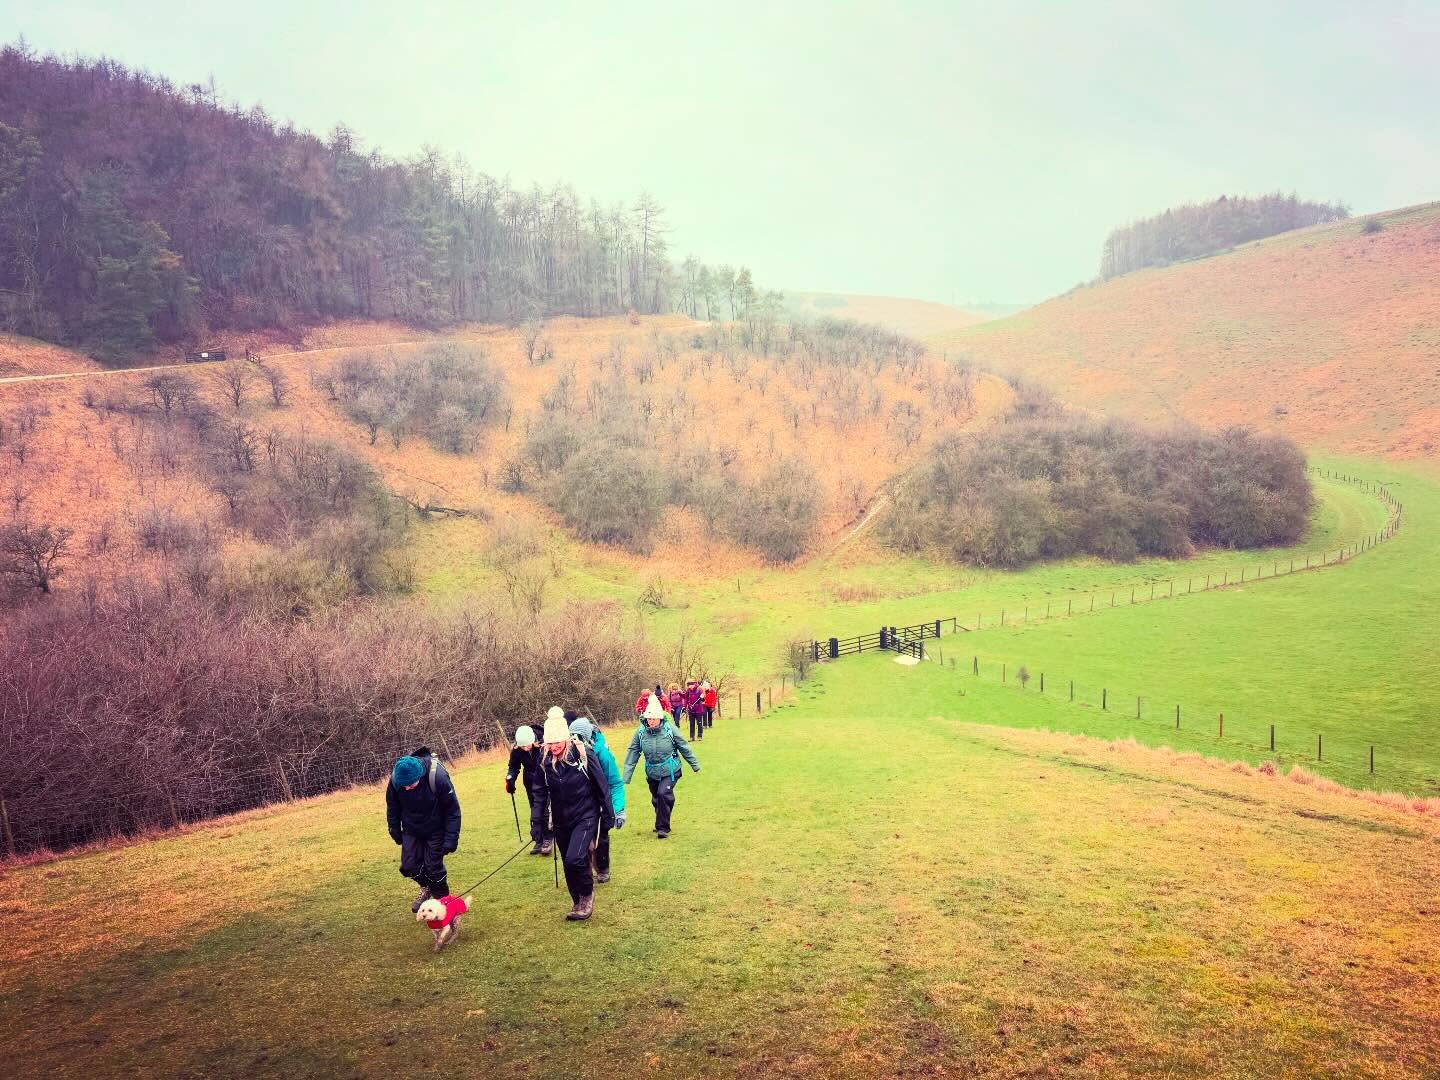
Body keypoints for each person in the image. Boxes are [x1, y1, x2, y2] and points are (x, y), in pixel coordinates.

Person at [540, 709, 615, 921]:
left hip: (586, 815)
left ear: (565, 738)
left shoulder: (583, 754)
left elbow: (602, 785)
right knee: (567, 862)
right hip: (561, 820)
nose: (553, 747)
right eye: (550, 743)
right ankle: (577, 901)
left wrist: (608, 816)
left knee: (575, 858)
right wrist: (538, 823)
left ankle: (587, 895)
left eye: (557, 742)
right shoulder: (544, 760)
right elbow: (539, 793)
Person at [386, 746, 462, 912]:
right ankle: (426, 888)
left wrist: (451, 839)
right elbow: (392, 807)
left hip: (436, 828)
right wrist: (394, 829)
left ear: (419, 775)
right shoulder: (397, 780)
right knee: (408, 867)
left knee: (433, 868)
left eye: (410, 785)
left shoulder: (438, 777)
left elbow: (452, 810)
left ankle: (444, 904)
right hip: (411, 828)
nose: (406, 788)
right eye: (403, 786)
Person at [622, 705, 700, 839]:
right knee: (657, 799)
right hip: (652, 771)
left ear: (660, 718)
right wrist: (627, 775)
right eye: (649, 719)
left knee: (663, 793)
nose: (651, 721)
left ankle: (662, 828)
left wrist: (695, 765)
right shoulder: (640, 732)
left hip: (670, 770)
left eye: (654, 719)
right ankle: (662, 817)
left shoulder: (670, 729)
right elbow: (633, 751)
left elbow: (683, 746)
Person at [567, 713, 626, 884]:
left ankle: (602, 868)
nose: (574, 741)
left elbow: (615, 782)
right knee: (581, 839)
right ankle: (585, 873)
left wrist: (619, 810)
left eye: (577, 737)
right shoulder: (569, 753)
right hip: (580, 803)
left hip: (601, 802)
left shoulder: (602, 754)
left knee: (601, 837)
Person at [505, 724, 552, 856]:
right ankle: (538, 839)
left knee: (545, 810)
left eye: (527, 745)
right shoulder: (517, 750)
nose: (525, 749)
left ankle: (548, 839)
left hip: (546, 780)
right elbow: (514, 767)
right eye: (523, 747)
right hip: (530, 781)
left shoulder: (544, 743)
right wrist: (510, 779)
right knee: (534, 809)